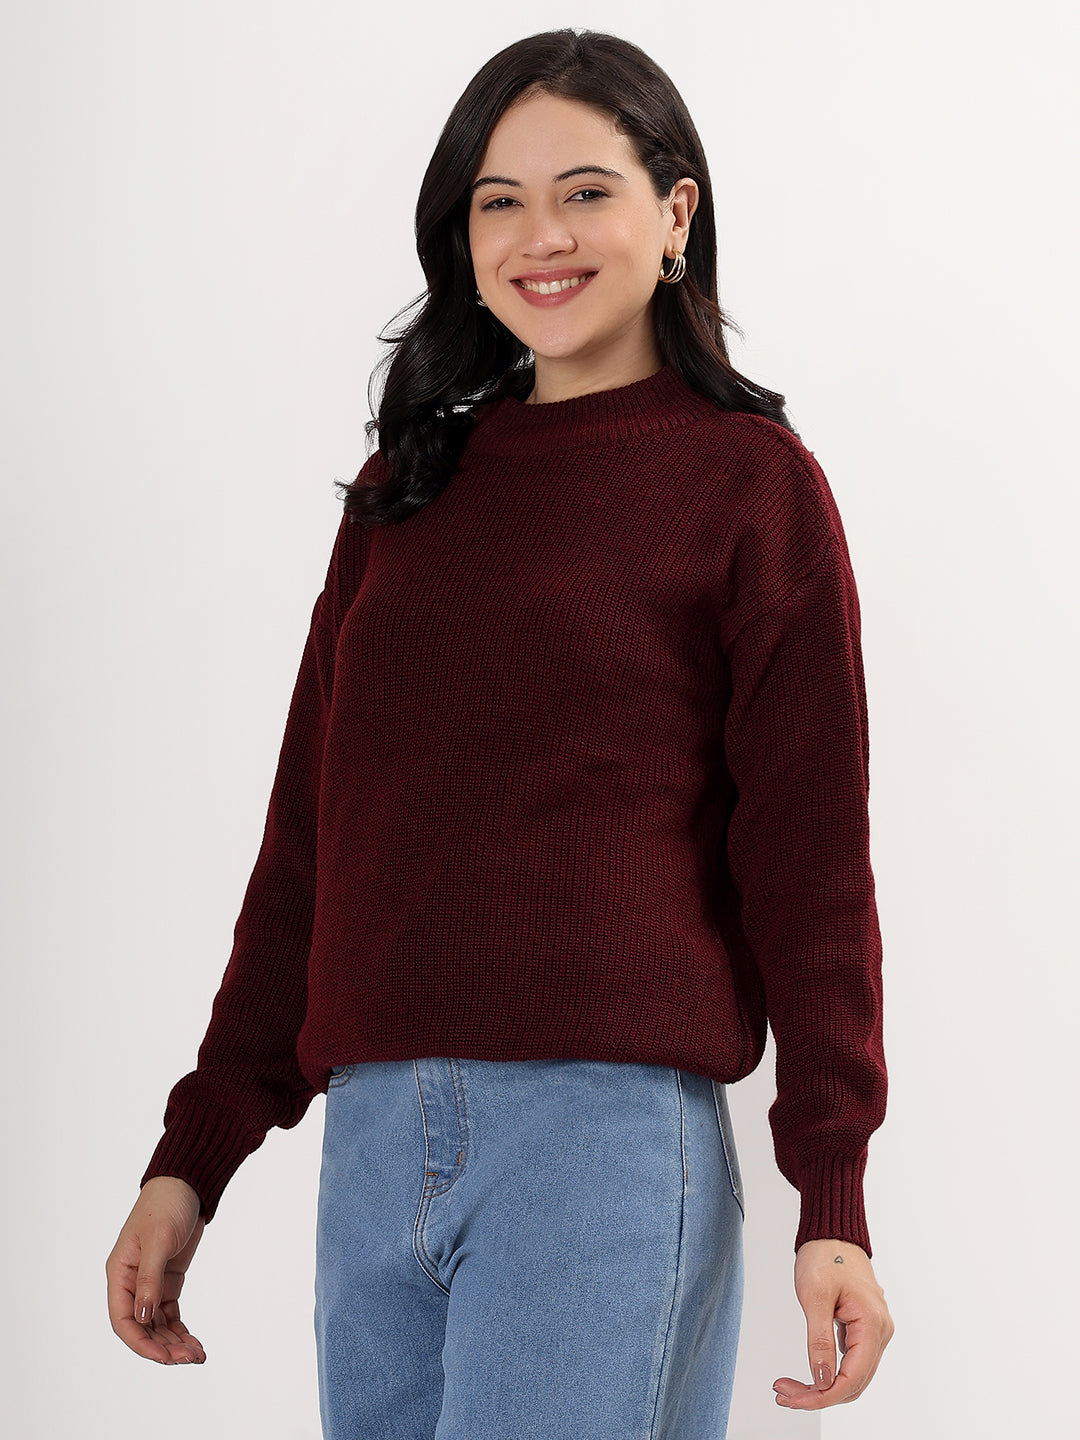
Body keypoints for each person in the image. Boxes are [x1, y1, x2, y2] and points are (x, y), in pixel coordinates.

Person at [106, 27, 893, 1437]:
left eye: (586, 192)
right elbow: (310, 847)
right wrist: (193, 1159)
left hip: (599, 1142)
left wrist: (831, 1189)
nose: (543, 237)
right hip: (373, 1146)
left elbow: (811, 860)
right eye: (499, 201)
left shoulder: (747, 486)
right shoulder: (405, 491)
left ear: (676, 213)